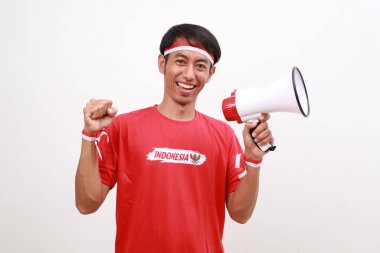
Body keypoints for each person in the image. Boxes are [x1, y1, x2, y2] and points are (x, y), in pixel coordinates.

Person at [75, 23, 274, 253]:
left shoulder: (224, 135)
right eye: (180, 61)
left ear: (211, 74)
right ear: (162, 64)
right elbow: (86, 204)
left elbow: (240, 214)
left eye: (200, 66)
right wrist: (89, 135)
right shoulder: (124, 127)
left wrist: (253, 160)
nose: (189, 74)